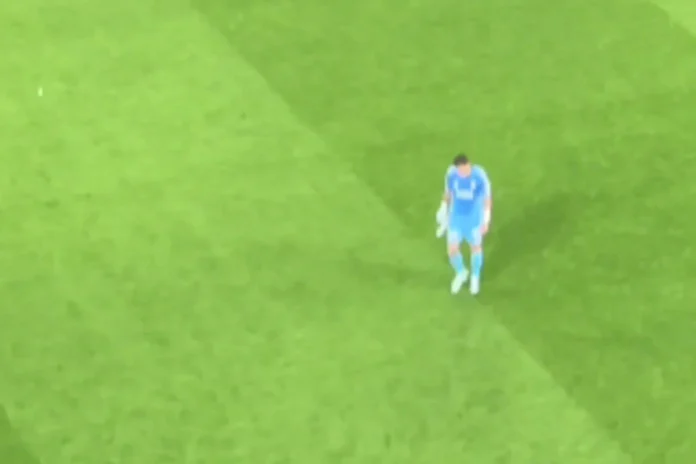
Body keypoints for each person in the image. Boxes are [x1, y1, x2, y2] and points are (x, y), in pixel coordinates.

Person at [435, 154, 492, 295]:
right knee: (452, 250)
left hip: (474, 220)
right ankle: (461, 272)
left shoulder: (479, 176)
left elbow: (487, 200)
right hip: (457, 219)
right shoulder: (452, 174)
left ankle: (475, 276)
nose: (462, 173)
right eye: (459, 170)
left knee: (475, 248)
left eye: (464, 169)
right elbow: (448, 193)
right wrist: (443, 207)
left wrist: (486, 220)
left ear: (468, 164)